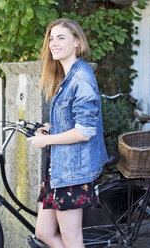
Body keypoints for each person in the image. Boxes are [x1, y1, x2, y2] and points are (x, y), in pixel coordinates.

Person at [27, 18, 109, 248]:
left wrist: (46, 140)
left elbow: (84, 131)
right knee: (43, 232)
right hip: (59, 169)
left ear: (77, 42)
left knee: (71, 239)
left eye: (61, 38)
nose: (53, 43)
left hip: (72, 172)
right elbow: (73, 120)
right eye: (51, 39)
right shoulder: (67, 76)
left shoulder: (81, 77)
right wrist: (51, 127)